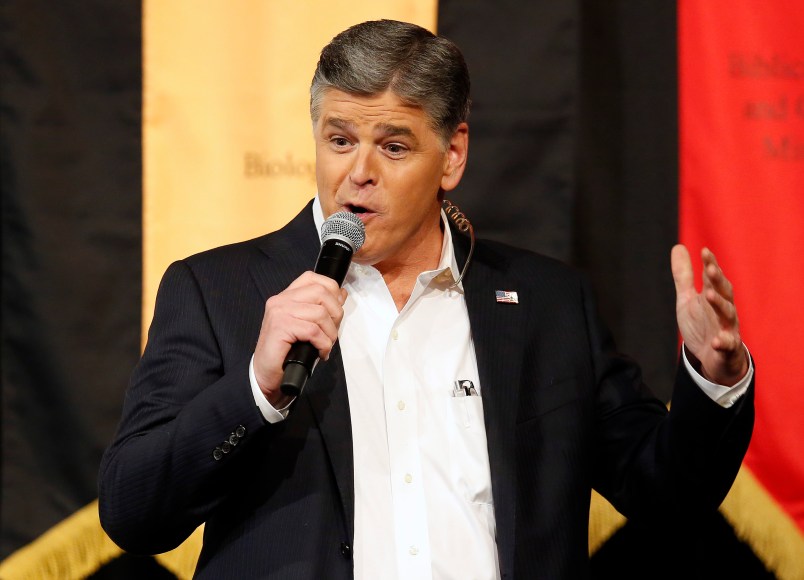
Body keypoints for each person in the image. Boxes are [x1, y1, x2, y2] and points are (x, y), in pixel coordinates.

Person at [98, 19, 754, 580]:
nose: (358, 172)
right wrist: (254, 390)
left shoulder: (549, 305)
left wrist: (713, 380)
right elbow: (133, 512)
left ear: (452, 156)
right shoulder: (219, 291)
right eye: (340, 139)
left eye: (393, 146)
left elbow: (666, 496)